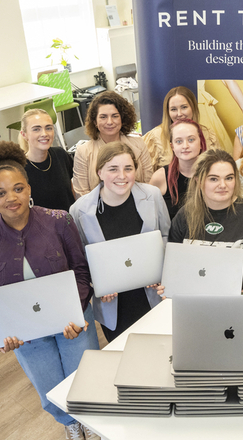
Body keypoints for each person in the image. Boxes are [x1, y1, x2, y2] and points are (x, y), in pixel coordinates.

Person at [0, 141, 100, 440]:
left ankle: (90, 420)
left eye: (17, 188)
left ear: (29, 188)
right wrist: (3, 328)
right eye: (0, 193)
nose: (11, 198)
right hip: (26, 333)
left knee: (86, 378)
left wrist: (74, 310)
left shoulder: (59, 221)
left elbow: (81, 271)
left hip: (72, 321)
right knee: (50, 386)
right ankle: (70, 423)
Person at [70, 142, 169, 342]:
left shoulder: (152, 195)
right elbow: (80, 259)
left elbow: (167, 236)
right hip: (114, 305)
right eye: (113, 169)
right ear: (99, 172)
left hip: (152, 296)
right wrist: (96, 286)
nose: (122, 176)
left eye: (128, 168)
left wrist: (163, 273)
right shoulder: (79, 210)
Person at [169, 149, 243, 287]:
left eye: (229, 178)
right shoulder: (185, 215)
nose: (223, 185)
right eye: (213, 179)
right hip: (194, 298)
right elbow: (173, 264)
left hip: (238, 303)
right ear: (199, 181)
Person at [72, 91, 153, 198]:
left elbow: (148, 183)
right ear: (95, 121)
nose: (109, 122)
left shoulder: (139, 144)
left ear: (122, 119)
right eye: (103, 117)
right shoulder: (83, 152)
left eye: (115, 116)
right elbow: (81, 194)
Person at [143, 86, 220, 172]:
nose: (179, 114)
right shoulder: (154, 138)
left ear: (193, 107)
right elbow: (147, 176)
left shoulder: (208, 135)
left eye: (184, 107)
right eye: (173, 109)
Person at [149, 119, 207, 220]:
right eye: (179, 141)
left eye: (191, 140)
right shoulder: (160, 177)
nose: (185, 146)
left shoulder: (213, 174)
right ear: (172, 146)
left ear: (201, 142)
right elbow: (149, 216)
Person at [19, 108, 76, 211]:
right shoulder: (19, 169)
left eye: (48, 128)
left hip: (69, 221)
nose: (44, 133)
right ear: (24, 135)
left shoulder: (60, 154)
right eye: (36, 129)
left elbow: (70, 191)